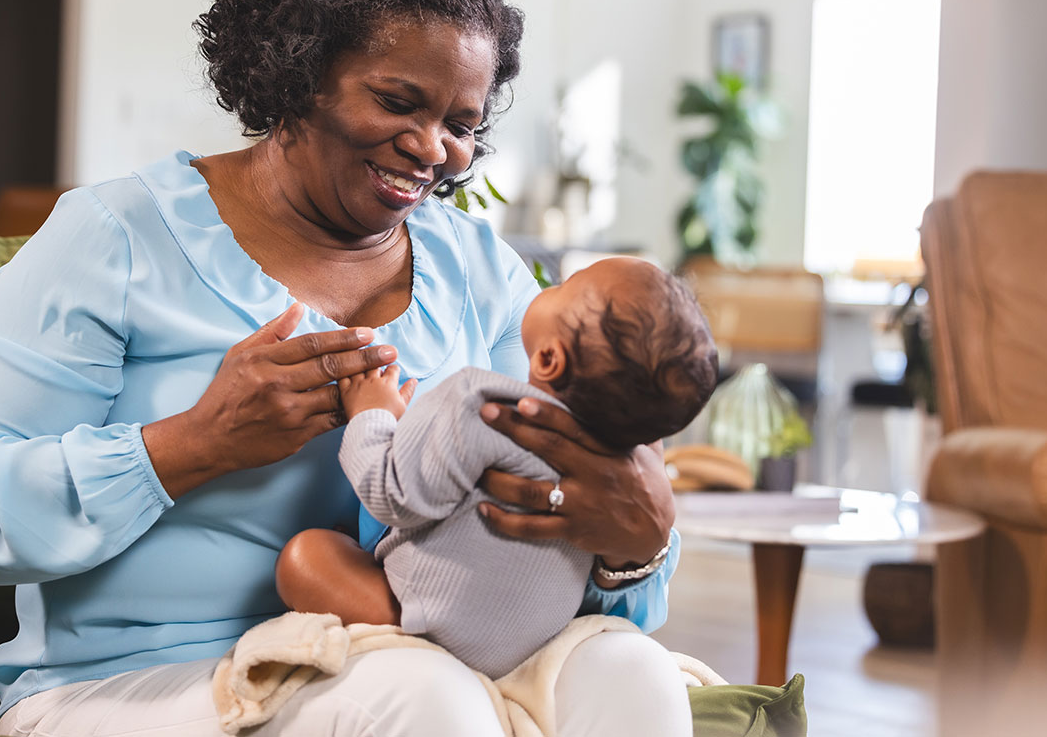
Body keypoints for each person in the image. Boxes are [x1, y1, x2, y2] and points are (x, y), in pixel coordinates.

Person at [0, 0, 690, 737]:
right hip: (142, 681)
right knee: (425, 700)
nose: (431, 148)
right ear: (297, 72)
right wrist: (194, 444)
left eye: (459, 124)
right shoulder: (114, 237)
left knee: (628, 671)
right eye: (397, 102)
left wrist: (633, 546)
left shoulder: (480, 271)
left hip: (418, 647)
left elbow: (581, 537)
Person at [276, 257, 718, 679]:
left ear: (548, 359)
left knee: (307, 557)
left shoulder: (482, 405)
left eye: (564, 287)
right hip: (523, 648)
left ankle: (414, 653)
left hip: (437, 632)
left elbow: (391, 495)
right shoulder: (621, 467)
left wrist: (373, 415)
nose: (547, 286)